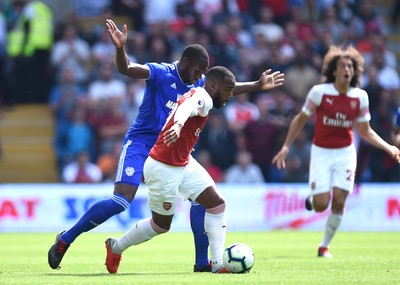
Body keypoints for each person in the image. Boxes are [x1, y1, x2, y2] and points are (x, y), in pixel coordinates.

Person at [48, 18, 284, 271]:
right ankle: (65, 239)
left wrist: (257, 85)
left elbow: (223, 90)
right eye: (197, 70)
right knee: (121, 201)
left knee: (202, 201)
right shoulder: (161, 73)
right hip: (141, 144)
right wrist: (120, 48)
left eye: (204, 72)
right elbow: (126, 68)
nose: (200, 76)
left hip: (172, 150)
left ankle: (202, 262)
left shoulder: (199, 84)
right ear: (184, 63)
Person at [103, 66, 235, 274]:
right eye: (228, 89)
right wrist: (178, 124)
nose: (230, 95)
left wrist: (258, 85)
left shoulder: (201, 92)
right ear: (212, 85)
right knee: (161, 225)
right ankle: (116, 247)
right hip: (162, 167)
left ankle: (218, 264)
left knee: (217, 204)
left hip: (183, 162)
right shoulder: (203, 97)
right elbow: (187, 107)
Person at [272, 45, 400, 258]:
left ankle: (324, 246)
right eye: (342, 66)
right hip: (321, 152)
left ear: (354, 70)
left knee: (340, 201)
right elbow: (300, 119)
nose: (346, 69)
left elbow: (365, 131)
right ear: (334, 71)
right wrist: (286, 146)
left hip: (345, 153)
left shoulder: (360, 97)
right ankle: (314, 200)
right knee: (322, 205)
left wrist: (388, 147)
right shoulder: (320, 92)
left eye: (349, 66)